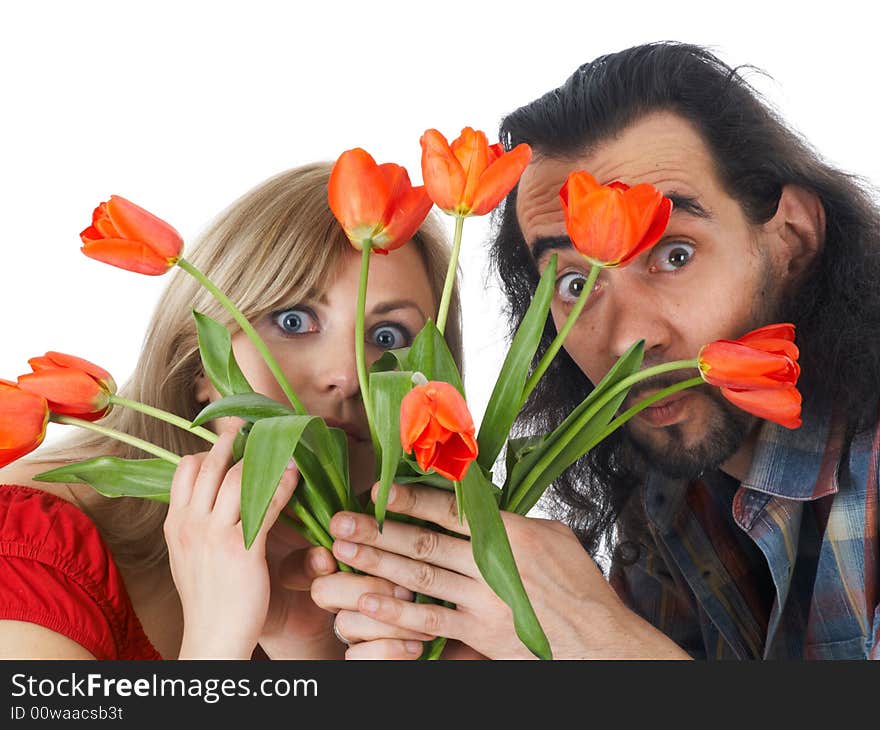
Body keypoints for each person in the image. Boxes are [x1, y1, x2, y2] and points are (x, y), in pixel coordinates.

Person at [296, 42, 880, 659]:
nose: (627, 337)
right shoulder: (666, 507)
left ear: (792, 237)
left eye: (673, 255)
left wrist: (602, 642)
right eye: (576, 283)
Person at [0, 161, 462, 659]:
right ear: (201, 365)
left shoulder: (428, 604)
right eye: (294, 320)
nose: (347, 375)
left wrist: (307, 653)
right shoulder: (33, 553)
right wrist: (217, 640)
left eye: (386, 337)